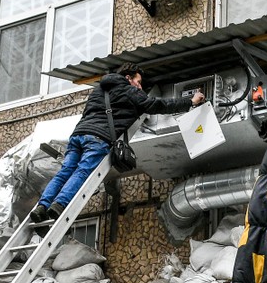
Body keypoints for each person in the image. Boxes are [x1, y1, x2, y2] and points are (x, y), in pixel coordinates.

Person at [31, 63, 205, 222]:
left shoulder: (99, 90)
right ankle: (59, 205)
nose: (140, 86)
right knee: (82, 172)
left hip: (78, 135)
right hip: (98, 138)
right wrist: (189, 102)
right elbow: (155, 106)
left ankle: (41, 207)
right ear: (128, 78)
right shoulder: (129, 91)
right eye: (138, 81)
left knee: (64, 172)